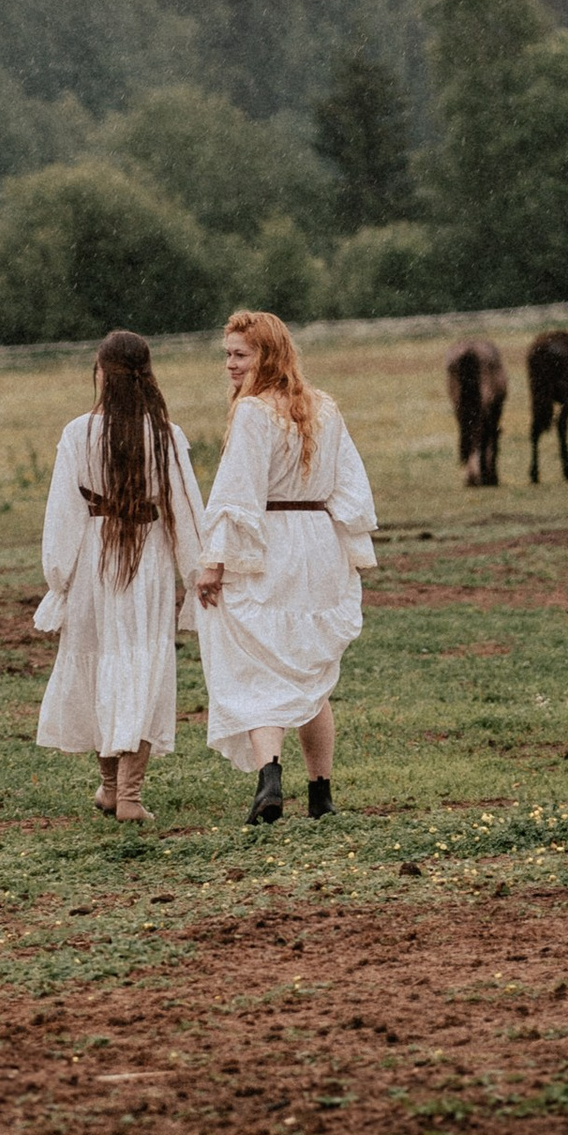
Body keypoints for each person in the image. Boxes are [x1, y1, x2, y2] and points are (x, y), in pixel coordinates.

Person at [194, 307, 377, 823]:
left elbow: (237, 494)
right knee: (308, 670)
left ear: (266, 355)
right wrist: (349, 548)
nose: (230, 365)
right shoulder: (324, 408)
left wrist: (215, 562)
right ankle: (321, 794)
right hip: (318, 543)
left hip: (271, 543)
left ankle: (269, 779)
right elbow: (350, 489)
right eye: (227, 355)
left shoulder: (254, 412)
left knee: (259, 667)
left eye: (239, 355)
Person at [34, 330, 207, 825]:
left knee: (101, 663)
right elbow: (186, 511)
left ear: (101, 374)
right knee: (140, 666)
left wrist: (59, 578)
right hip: (146, 560)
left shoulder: (77, 433)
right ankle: (127, 793)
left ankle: (112, 787)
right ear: (148, 375)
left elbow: (63, 514)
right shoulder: (167, 436)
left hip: (94, 558)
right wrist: (195, 572)